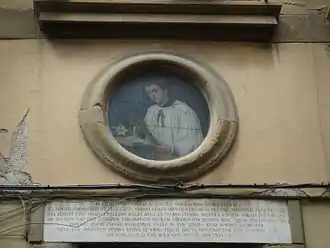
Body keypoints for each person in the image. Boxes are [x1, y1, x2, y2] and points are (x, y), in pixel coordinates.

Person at [144, 80, 204, 158]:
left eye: (155, 91)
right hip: (157, 156)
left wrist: (171, 150)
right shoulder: (152, 111)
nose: (153, 95)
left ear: (165, 90)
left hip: (179, 158)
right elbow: (149, 134)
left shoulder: (184, 111)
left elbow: (193, 143)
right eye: (149, 93)